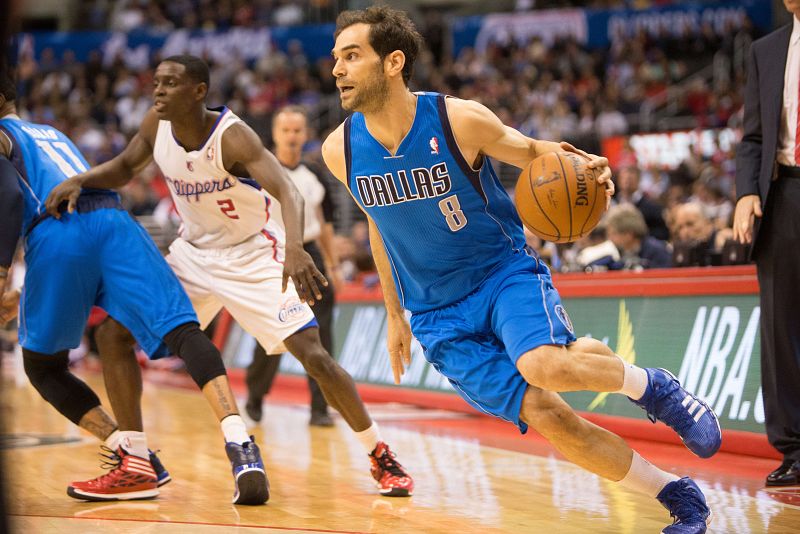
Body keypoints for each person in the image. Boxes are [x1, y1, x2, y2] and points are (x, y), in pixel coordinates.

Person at [321, 7, 720, 533]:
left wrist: (588, 166)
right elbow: (380, 224)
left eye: (352, 56)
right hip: (436, 315)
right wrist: (394, 314)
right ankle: (676, 494)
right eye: (335, 59)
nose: (337, 70)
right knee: (552, 416)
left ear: (393, 62)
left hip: (499, 274)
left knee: (540, 363)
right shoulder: (340, 150)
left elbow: (535, 152)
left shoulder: (458, 119)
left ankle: (654, 387)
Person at [47, 55, 414, 498]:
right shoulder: (155, 124)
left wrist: (295, 248)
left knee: (314, 356)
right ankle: (138, 462)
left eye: (170, 84)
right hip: (193, 256)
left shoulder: (233, 136)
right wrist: (82, 180)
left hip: (253, 254)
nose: (158, 91)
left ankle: (379, 455)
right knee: (112, 335)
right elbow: (125, 168)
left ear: (198, 92)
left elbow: (286, 188)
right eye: (156, 83)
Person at [0, 70, 269, 505]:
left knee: (42, 366)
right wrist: (26, 292)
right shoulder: (49, 132)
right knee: (183, 330)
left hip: (58, 233)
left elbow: (10, 198)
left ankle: (131, 456)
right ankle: (240, 445)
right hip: (114, 222)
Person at [734, 0, 800, 488]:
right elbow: (753, 136)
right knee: (782, 326)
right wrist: (746, 192)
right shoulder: (766, 50)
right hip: (784, 193)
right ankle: (795, 449)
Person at [245, 105, 341, 428]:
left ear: (306, 134)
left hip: (310, 253)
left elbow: (324, 224)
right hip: (272, 254)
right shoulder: (258, 172)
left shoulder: (314, 176)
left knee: (322, 335)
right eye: (286, 130)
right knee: (274, 332)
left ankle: (320, 408)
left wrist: (333, 263)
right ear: (274, 134)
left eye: (297, 130)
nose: (292, 136)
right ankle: (256, 396)